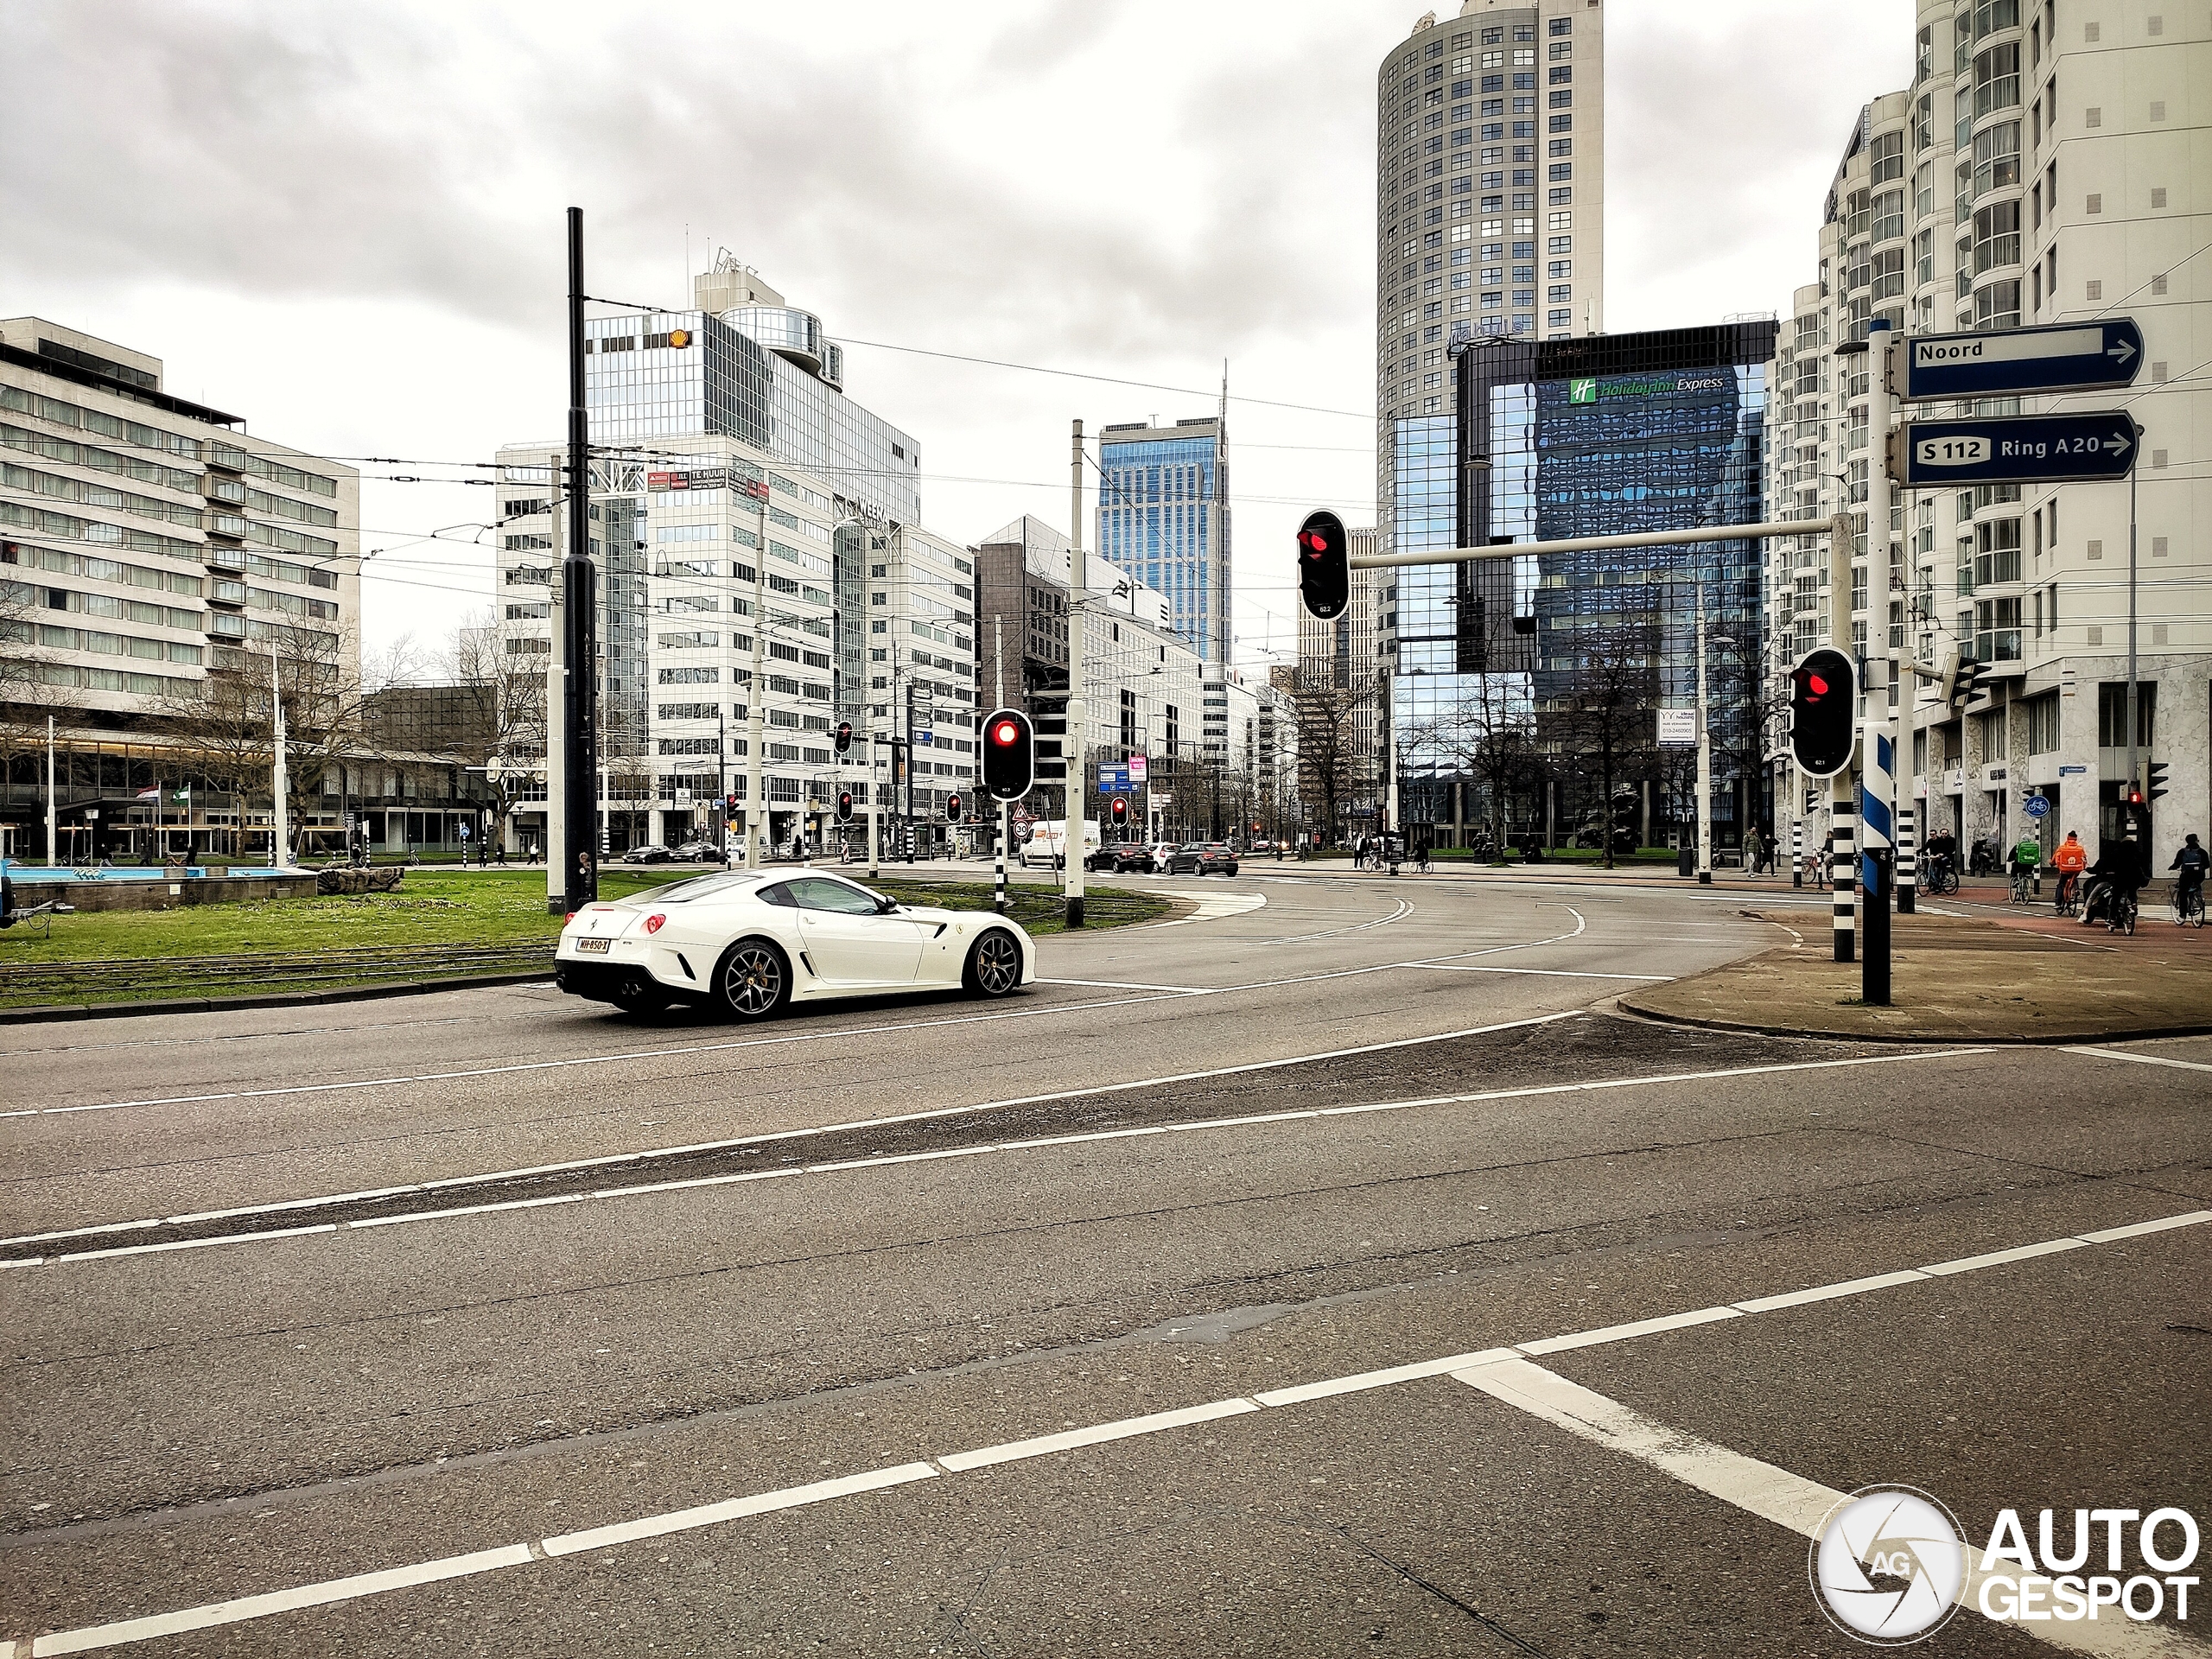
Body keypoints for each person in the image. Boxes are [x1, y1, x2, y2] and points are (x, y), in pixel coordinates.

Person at [2171, 834, 2209, 922]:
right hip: (2199, 876)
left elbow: (2177, 863)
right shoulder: (2202, 852)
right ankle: (2198, 895)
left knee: (2183, 893)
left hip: (2186, 876)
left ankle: (2182, 915)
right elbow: (2207, 865)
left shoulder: (2182, 852)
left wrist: (2172, 867)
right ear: (2197, 840)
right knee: (2197, 884)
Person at [2010, 830, 2044, 899]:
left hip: (2019, 866)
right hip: (2029, 867)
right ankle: (2026, 887)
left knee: (2014, 867)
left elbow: (2011, 856)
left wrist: (2009, 860)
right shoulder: (2033, 846)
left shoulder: (2018, 846)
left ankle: (2015, 880)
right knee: (2026, 875)